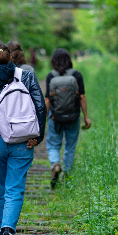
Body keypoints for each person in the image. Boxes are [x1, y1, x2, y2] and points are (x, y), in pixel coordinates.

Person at [0, 41, 46, 235]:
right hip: (22, 140)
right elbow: (39, 106)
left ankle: (0, 232)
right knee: (15, 188)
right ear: (11, 57)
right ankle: (8, 231)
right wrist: (38, 136)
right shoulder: (26, 76)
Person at [45, 48, 91, 187]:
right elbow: (82, 97)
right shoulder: (77, 75)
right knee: (70, 146)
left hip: (55, 117)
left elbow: (47, 100)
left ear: (53, 61)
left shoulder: (51, 76)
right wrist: (86, 117)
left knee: (53, 144)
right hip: (73, 116)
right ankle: (66, 175)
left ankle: (55, 164)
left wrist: (43, 119)